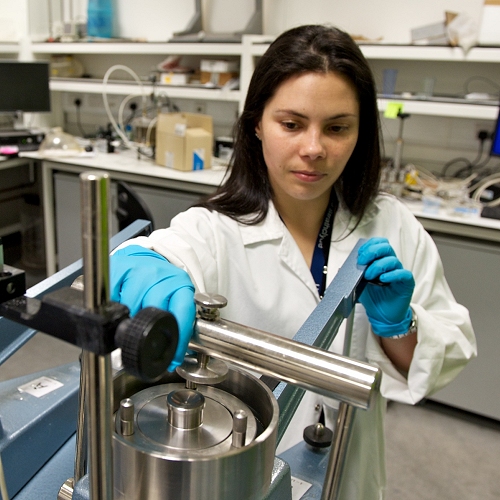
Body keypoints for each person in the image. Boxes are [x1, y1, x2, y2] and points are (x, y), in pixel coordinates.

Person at [111, 24, 477, 499]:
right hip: (246, 470)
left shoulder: (392, 225)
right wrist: (143, 269)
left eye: (337, 127)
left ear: (360, 133)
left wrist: (399, 327)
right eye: (291, 123)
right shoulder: (216, 228)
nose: (314, 148)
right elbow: (148, 255)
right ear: (256, 124)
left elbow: (446, 356)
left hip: (351, 466)